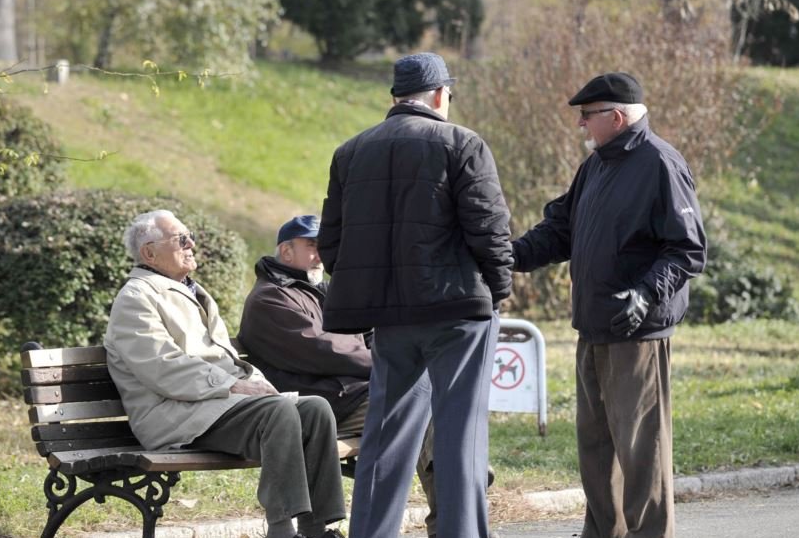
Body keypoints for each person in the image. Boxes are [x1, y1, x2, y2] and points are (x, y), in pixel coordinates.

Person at [318, 52, 514, 538]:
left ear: (395, 97)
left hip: (389, 318)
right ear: (442, 94)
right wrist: (500, 287)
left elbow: (331, 243)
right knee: (459, 437)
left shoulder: (350, 151)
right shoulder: (462, 143)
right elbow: (489, 229)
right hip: (456, 311)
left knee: (385, 437)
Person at [511, 73, 707, 538]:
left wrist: (645, 292)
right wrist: (508, 255)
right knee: (597, 455)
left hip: (637, 335)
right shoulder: (596, 165)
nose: (582, 125)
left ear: (616, 117)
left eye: (587, 116)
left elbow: (687, 249)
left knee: (643, 456)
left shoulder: (660, 163)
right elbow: (560, 229)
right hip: (594, 329)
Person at [103, 209, 347, 538]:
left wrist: (253, 382)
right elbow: (163, 368)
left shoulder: (192, 291)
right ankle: (281, 528)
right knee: (278, 412)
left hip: (210, 405)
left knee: (315, 409)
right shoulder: (135, 298)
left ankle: (318, 528)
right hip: (172, 413)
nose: (191, 244)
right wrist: (233, 385)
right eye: (180, 239)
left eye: (189, 236)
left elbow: (224, 357)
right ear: (149, 252)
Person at [236, 214, 448, 537]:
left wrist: (392, 355)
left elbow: (368, 332)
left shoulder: (320, 290)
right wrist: (393, 364)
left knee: (423, 398)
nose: (321, 253)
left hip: (350, 395)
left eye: (324, 245)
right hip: (319, 407)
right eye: (312, 246)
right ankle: (454, 500)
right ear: (286, 251)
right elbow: (325, 350)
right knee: (417, 401)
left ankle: (453, 500)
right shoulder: (269, 298)